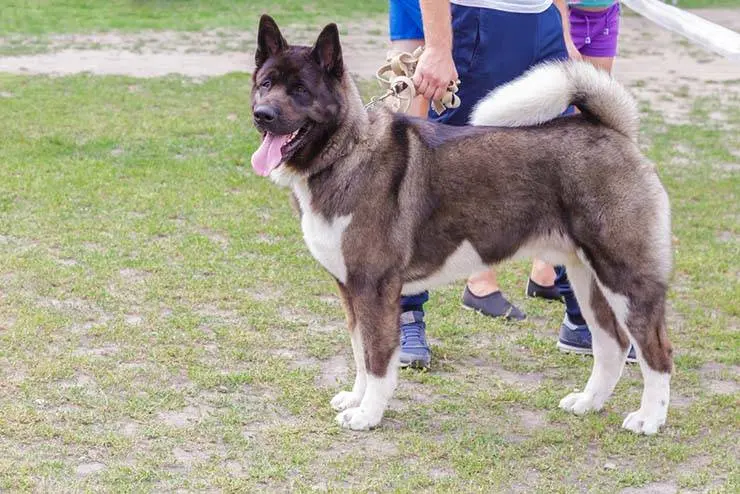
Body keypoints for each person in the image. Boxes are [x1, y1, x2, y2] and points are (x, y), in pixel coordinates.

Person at [390, 0, 575, 368]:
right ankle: (405, 316)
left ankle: (583, 316)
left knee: (565, 170)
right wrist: (440, 47)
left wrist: (563, 34)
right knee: (437, 176)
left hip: (540, 20)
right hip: (476, 17)